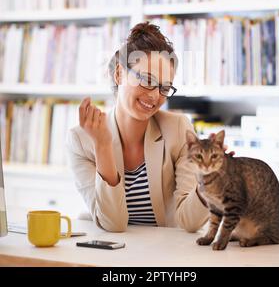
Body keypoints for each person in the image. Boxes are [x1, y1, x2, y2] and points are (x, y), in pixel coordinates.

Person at [66, 22, 210, 232]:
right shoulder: (81, 140)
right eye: (147, 80)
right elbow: (113, 224)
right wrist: (103, 147)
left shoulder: (177, 129)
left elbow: (189, 222)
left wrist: (212, 181)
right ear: (119, 74)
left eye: (165, 87)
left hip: (165, 255)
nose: (154, 96)